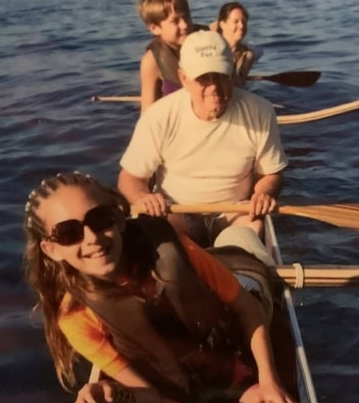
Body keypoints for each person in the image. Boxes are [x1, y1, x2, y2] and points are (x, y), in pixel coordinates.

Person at [23, 172, 301, 403]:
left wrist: (268, 380)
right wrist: (110, 389)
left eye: (99, 219)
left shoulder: (171, 248)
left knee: (242, 235)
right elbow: (148, 395)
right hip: (174, 395)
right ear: (52, 249)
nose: (92, 238)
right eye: (69, 233)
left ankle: (239, 228)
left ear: (118, 218)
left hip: (236, 359)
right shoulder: (75, 316)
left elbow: (247, 306)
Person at [118, 30, 287, 245]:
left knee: (251, 229)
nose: (214, 87)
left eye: (220, 75)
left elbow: (271, 174)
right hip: (177, 211)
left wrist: (263, 194)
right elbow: (130, 178)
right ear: (183, 78)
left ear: (232, 73)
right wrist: (143, 197)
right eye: (203, 78)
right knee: (160, 238)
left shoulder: (260, 110)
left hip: (235, 212)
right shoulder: (159, 115)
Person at [136, 0, 206, 113]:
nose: (184, 25)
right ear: (154, 28)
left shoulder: (206, 42)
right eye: (175, 21)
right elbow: (147, 114)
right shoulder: (151, 62)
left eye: (186, 17)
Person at [214, 1, 256, 87]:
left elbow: (239, 87)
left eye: (244, 21)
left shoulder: (247, 55)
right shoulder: (212, 47)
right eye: (236, 21)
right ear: (222, 24)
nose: (241, 26)